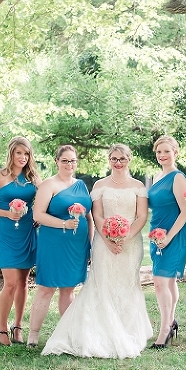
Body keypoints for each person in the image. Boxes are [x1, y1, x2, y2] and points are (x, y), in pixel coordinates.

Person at [41, 144, 153, 358]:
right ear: (109, 160)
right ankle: (98, 332)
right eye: (114, 158)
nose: (118, 162)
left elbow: (141, 217)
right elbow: (97, 216)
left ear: (129, 159)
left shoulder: (138, 186)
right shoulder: (100, 185)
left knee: (128, 284)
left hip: (131, 243)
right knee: (102, 284)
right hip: (103, 241)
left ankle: (129, 331)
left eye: (122, 158)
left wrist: (124, 237)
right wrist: (109, 239)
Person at [26, 145, 93, 349]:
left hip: (77, 246)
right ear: (57, 161)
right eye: (65, 160)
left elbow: (89, 218)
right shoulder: (49, 184)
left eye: (73, 161)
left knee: (69, 289)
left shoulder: (81, 185)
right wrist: (63, 224)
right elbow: (38, 215)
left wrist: (89, 244)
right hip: (53, 243)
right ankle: (33, 334)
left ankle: (67, 332)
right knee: (46, 288)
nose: (69, 164)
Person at [0, 136, 41, 346]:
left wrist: (38, 218)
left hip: (27, 231)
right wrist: (6, 213)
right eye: (19, 153)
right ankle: (1, 326)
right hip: (7, 232)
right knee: (11, 283)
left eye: (27, 154)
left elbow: (43, 201)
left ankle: (17, 326)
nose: (23, 157)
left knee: (24, 282)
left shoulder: (33, 178)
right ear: (11, 153)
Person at [148, 135, 186, 349]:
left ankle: (165, 328)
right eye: (159, 152)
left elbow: (185, 211)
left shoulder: (178, 178)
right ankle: (171, 321)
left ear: (176, 152)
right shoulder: (157, 177)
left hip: (174, 235)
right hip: (156, 235)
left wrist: (168, 236)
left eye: (167, 151)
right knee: (168, 281)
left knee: (160, 282)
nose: (162, 155)